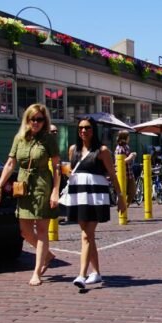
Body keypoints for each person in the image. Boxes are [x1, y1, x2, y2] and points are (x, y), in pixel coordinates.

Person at [0, 104, 60, 286]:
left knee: (42, 229)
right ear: (27, 120)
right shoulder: (19, 139)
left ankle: (37, 271)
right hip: (23, 185)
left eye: (40, 119)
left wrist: (55, 191)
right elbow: (9, 164)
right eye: (33, 119)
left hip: (42, 185)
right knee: (25, 231)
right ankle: (47, 254)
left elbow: (56, 167)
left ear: (44, 121)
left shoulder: (48, 139)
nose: (36, 123)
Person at [61, 117, 126, 289]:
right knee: (88, 235)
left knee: (86, 235)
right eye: (81, 128)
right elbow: (72, 169)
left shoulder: (102, 150)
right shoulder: (73, 149)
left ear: (93, 130)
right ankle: (96, 272)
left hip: (96, 195)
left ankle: (82, 275)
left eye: (87, 128)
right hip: (79, 195)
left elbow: (112, 174)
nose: (83, 131)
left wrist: (120, 196)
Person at [114, 130, 137, 206]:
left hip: (129, 173)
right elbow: (119, 162)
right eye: (128, 136)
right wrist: (130, 157)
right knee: (122, 192)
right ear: (124, 138)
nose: (129, 138)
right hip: (122, 174)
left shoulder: (127, 147)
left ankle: (124, 206)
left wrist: (132, 155)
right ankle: (121, 210)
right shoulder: (119, 148)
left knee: (133, 191)